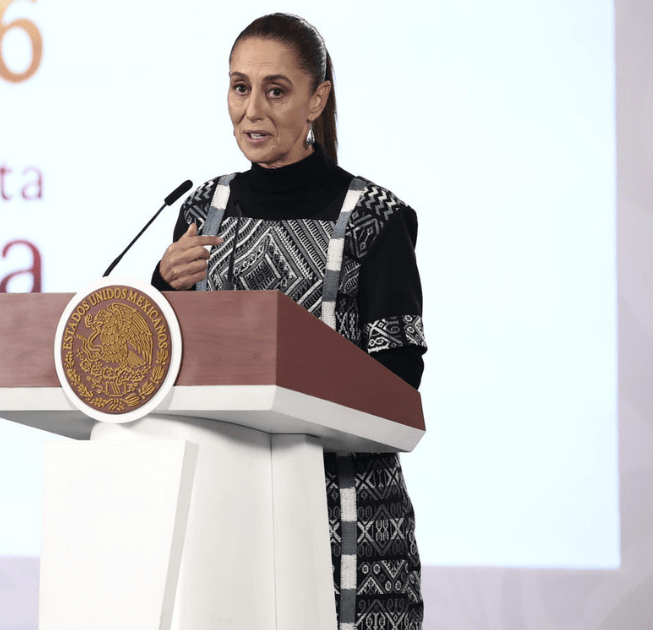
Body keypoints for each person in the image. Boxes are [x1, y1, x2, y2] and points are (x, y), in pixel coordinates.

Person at [152, 13, 425, 630]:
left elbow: (400, 383)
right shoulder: (203, 208)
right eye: (239, 87)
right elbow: (173, 360)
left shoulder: (375, 218)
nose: (252, 110)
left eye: (275, 90)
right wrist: (163, 285)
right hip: (224, 513)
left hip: (345, 522)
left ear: (316, 100)